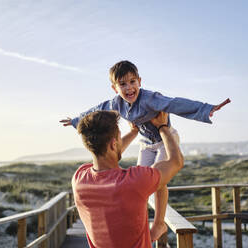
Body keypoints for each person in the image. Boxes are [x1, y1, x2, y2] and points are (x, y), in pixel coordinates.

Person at [61, 60, 230, 239]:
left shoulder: (150, 99)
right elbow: (96, 111)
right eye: (123, 84)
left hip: (166, 138)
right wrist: (75, 120)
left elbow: (175, 104)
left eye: (133, 82)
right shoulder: (116, 104)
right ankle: (140, 220)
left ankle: (159, 224)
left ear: (140, 81)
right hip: (146, 142)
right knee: (142, 179)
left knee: (159, 179)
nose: (129, 88)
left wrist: (206, 109)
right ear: (114, 88)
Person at [72, 110, 184, 248]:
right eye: (119, 138)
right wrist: (163, 127)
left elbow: (104, 154)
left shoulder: (79, 179)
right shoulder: (134, 181)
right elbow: (175, 162)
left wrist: (132, 133)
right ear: (114, 144)